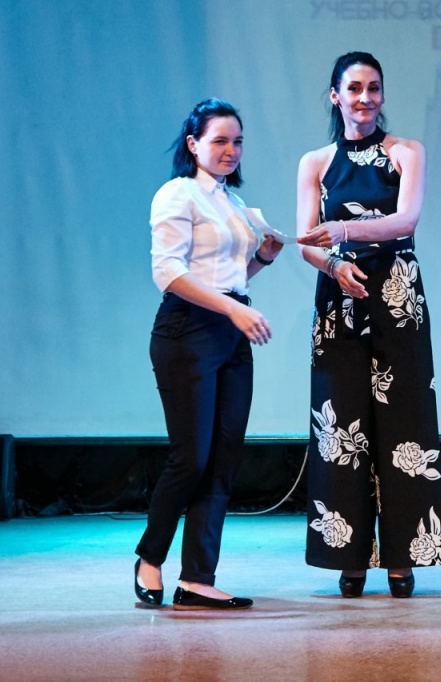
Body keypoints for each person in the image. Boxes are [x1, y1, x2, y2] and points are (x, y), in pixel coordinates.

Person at [296, 52, 441, 598]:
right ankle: (350, 556)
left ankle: (403, 557)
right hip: (340, 298)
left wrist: (342, 231)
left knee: (404, 421)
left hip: (396, 295)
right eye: (355, 88)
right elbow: (305, 242)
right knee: (342, 427)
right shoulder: (316, 162)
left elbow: (406, 221)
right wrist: (334, 265)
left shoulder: (406, 151)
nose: (365, 98)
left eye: (374, 88)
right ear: (335, 96)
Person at [134, 98, 283, 610]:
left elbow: (231, 276)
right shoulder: (178, 193)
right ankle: (150, 557)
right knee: (191, 457)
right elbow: (169, 273)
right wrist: (233, 309)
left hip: (230, 331)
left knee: (223, 459)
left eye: (237, 141)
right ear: (193, 144)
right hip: (187, 330)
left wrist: (262, 258)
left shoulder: (233, 203)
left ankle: (197, 578)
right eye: (220, 140)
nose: (230, 150)